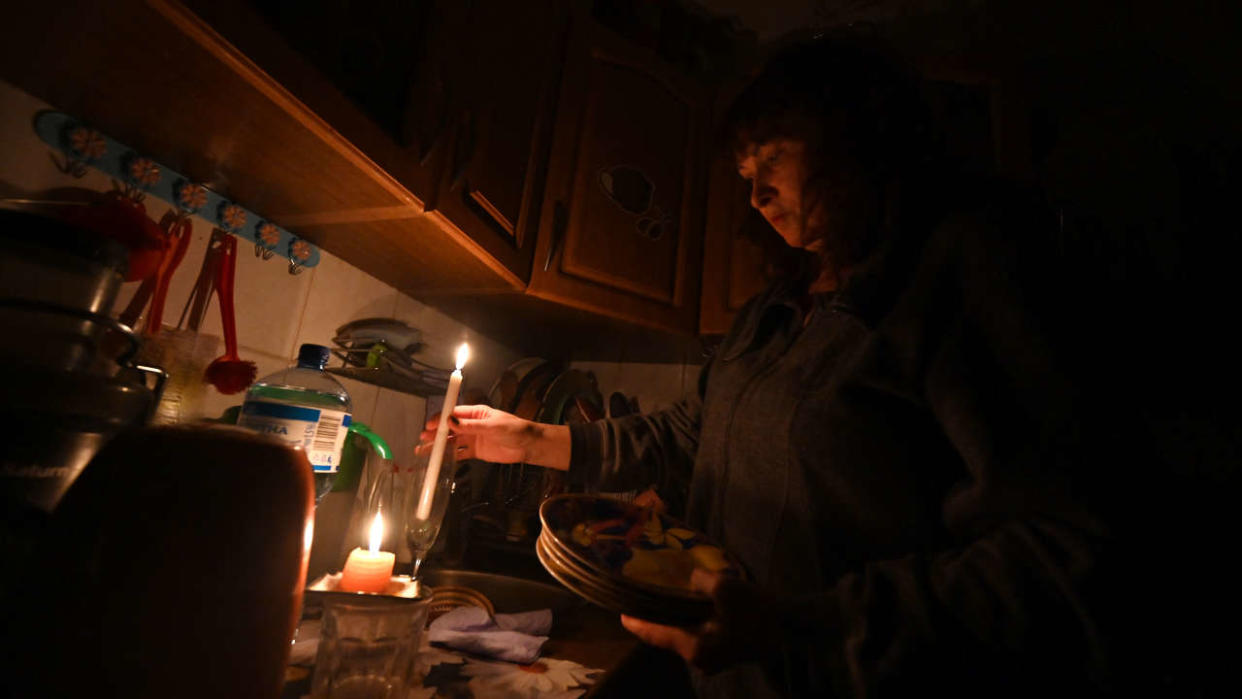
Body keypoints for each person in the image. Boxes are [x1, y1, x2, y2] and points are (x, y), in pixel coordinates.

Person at [423, 37, 1199, 697]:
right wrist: (531, 438)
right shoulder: (774, 310)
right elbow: (692, 430)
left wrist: (808, 627)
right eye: (742, 172)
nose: (753, 192)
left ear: (851, 142)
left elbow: (1068, 553)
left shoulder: (959, 276)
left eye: (772, 158)